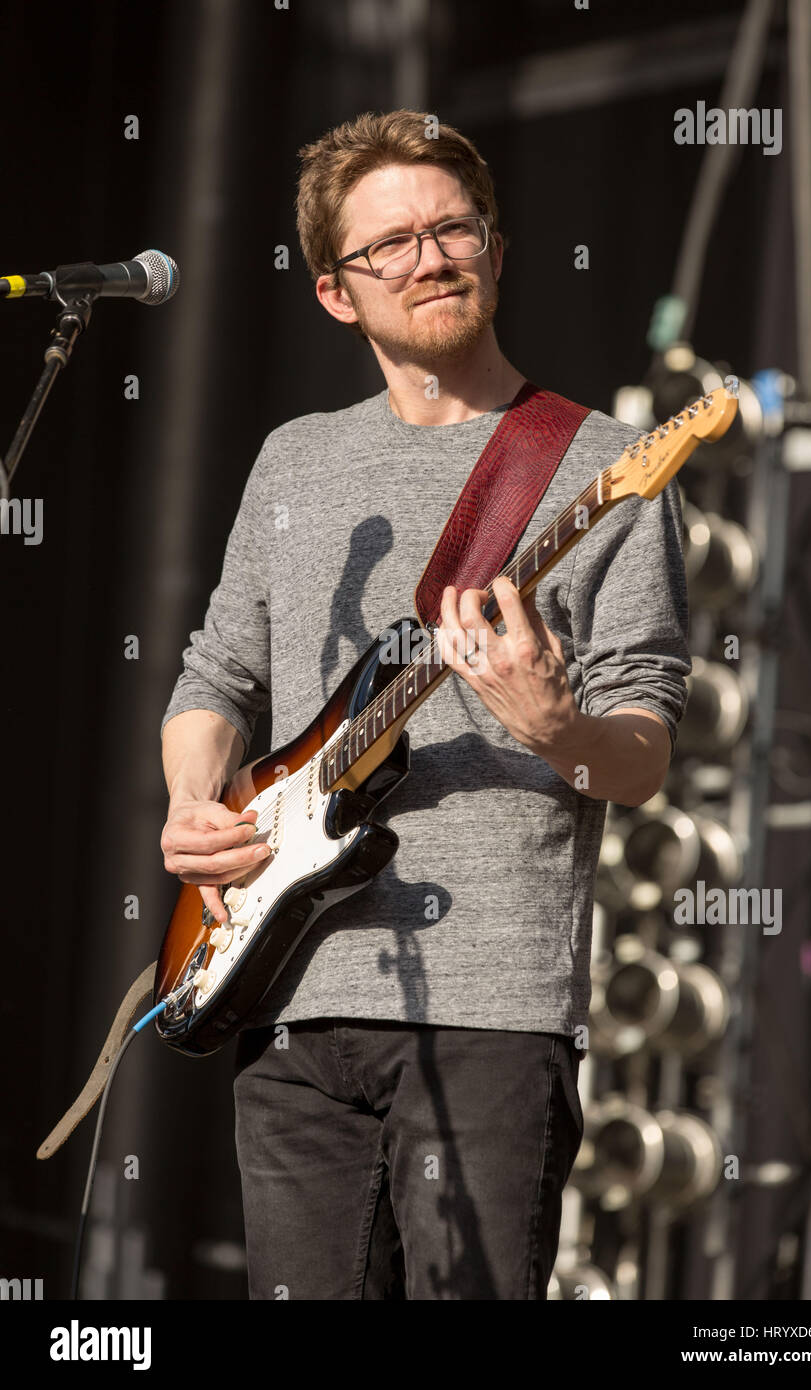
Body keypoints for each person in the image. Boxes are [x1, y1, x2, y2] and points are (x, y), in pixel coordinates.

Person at [159, 109, 690, 1300]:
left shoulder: (598, 467)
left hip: (489, 1014)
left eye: (453, 228)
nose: (428, 257)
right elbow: (214, 676)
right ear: (336, 294)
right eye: (389, 243)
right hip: (283, 993)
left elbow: (641, 752)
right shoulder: (294, 461)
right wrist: (195, 798)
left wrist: (556, 729)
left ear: (497, 253)